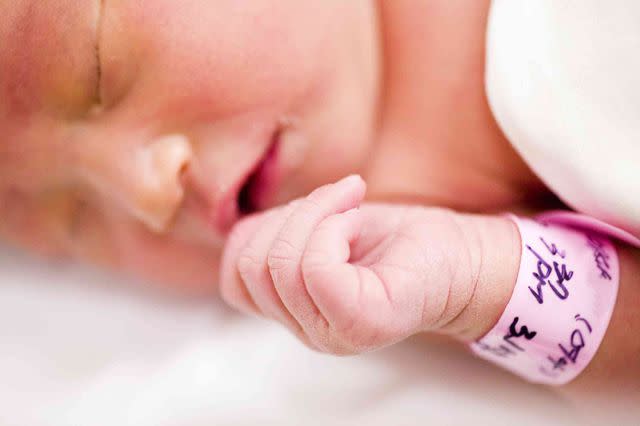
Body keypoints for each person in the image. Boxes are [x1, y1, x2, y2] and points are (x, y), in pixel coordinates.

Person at [0, 0, 638, 396]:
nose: (147, 195)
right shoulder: (361, 273)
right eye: (73, 223)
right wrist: (478, 285)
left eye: (97, 68)